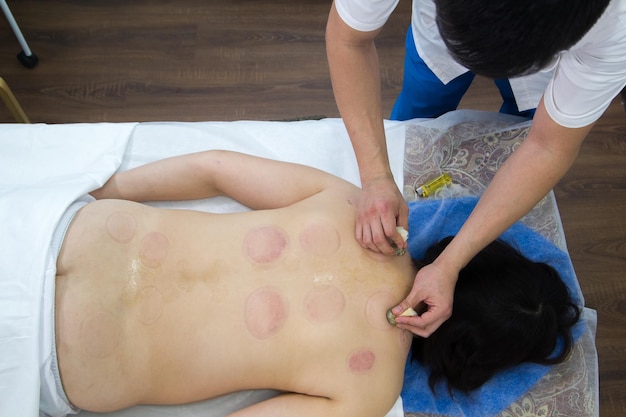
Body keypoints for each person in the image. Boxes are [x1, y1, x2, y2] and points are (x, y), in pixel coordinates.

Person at [46, 150, 578, 417]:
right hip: (66, 358)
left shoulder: (356, 205)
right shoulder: (371, 388)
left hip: (70, 233)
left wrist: (100, 192)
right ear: (474, 359)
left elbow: (214, 167)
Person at [325, 0, 626, 337]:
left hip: (547, 67)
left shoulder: (616, 29)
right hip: (436, 45)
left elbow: (547, 146)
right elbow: (348, 39)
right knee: (420, 108)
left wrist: (450, 265)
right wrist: (377, 176)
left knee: (517, 130)